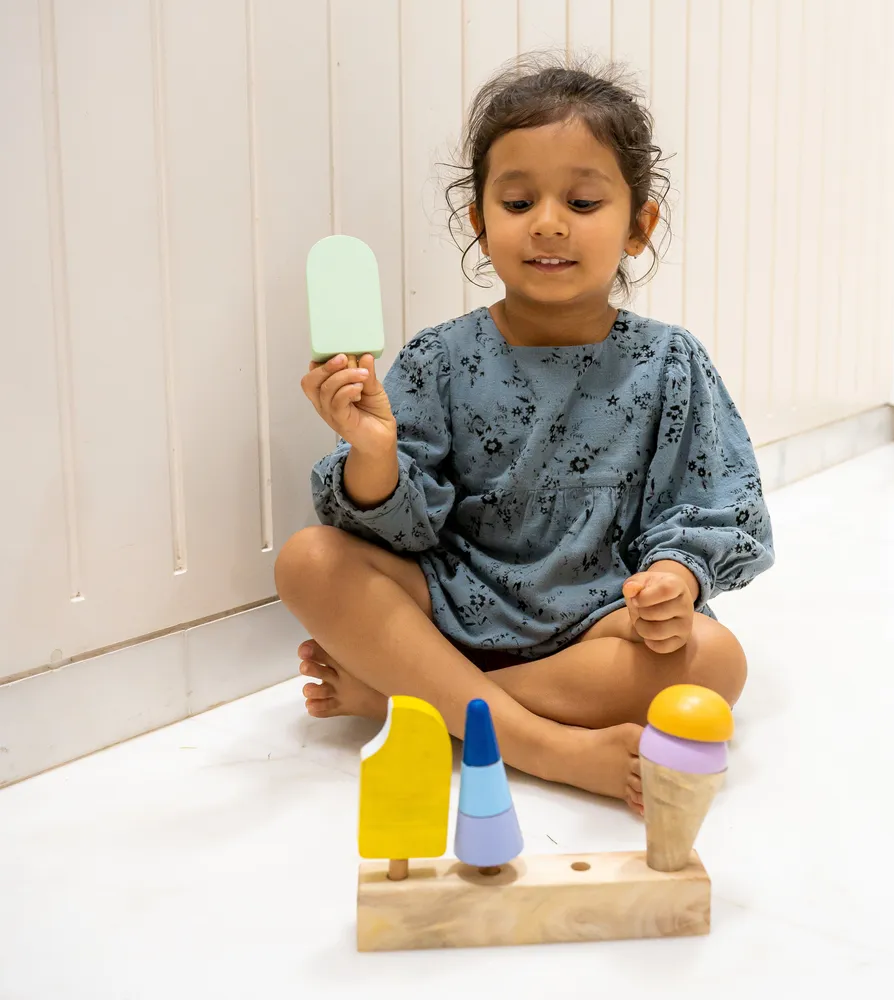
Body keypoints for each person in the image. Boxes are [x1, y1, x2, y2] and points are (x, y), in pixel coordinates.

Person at [276, 59, 774, 815]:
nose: (547, 221)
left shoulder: (670, 362)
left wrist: (677, 579)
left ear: (640, 226)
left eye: (581, 200)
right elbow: (399, 529)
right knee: (309, 560)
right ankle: (545, 745)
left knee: (716, 664)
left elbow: (717, 501)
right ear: (479, 222)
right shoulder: (442, 358)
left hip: (597, 621)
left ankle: (409, 701)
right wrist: (374, 454)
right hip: (453, 604)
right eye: (517, 200)